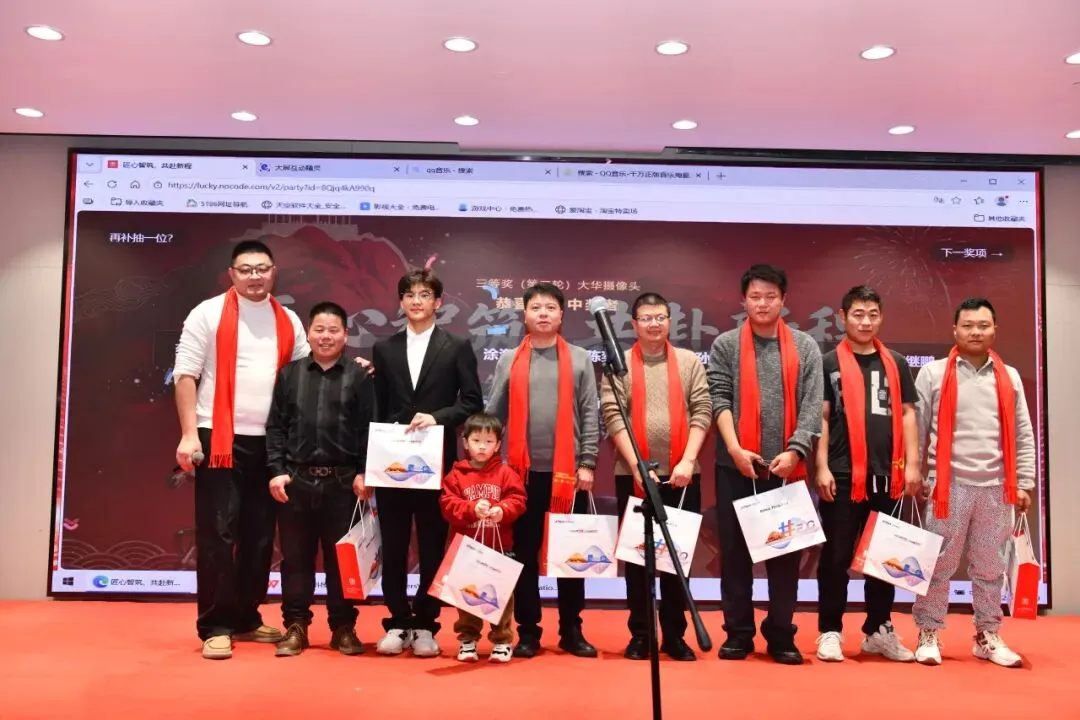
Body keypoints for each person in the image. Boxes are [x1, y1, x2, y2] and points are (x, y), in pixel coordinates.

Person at [173, 239, 309, 660]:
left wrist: (352, 366)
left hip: (270, 443)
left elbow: (306, 374)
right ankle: (215, 625)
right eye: (246, 269)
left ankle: (246, 617)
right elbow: (185, 374)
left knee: (259, 536)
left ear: (273, 272)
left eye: (262, 268)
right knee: (218, 533)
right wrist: (189, 434)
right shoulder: (208, 313)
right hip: (218, 438)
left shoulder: (288, 319)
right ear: (232, 274)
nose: (255, 276)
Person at [706, 263, 823, 665]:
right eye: (755, 296)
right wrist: (735, 449)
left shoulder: (805, 347)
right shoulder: (726, 345)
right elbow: (718, 398)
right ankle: (738, 633)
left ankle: (781, 634)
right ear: (744, 300)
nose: (762, 303)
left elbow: (812, 406)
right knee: (735, 555)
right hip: (736, 466)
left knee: (785, 557)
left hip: (787, 469)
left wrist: (796, 451)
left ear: (783, 300)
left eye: (770, 296)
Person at [911, 298, 1035, 668]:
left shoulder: (1009, 376)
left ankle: (987, 634)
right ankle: (928, 632)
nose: (975, 332)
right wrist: (916, 473)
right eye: (968, 325)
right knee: (938, 564)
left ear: (994, 330)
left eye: (983, 325)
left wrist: (1024, 482)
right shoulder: (933, 373)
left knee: (989, 566)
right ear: (955, 330)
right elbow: (917, 429)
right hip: (948, 489)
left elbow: (1023, 433)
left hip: (996, 487)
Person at [371, 268, 484, 657]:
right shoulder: (384, 348)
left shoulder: (456, 346)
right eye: (409, 295)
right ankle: (398, 620)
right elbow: (378, 405)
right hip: (391, 463)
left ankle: (425, 623)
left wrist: (437, 417)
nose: (416, 301)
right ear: (400, 302)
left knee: (433, 544)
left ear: (438, 302)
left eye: (424, 295)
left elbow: (472, 401)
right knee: (394, 543)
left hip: (436, 463)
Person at [486, 282, 601, 658]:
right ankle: (528, 631)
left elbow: (589, 412)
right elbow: (493, 415)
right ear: (525, 314)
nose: (543, 314)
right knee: (523, 554)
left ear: (562, 314)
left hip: (568, 476)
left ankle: (571, 629)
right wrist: (489, 464)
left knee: (571, 556)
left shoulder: (580, 358)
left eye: (550, 307)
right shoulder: (510, 359)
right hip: (521, 476)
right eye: (536, 307)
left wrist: (587, 462)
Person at [600, 292, 712, 662]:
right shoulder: (618, 366)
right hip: (633, 476)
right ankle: (642, 634)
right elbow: (613, 414)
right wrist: (636, 465)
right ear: (634, 324)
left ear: (669, 321)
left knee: (677, 560)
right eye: (646, 318)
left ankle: (675, 636)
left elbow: (702, 409)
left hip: (682, 476)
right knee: (637, 562)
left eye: (660, 317)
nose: (653, 324)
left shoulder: (688, 361)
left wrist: (687, 460)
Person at [814, 286, 921, 663]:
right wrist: (821, 465)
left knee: (885, 560)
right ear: (843, 317)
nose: (865, 321)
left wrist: (913, 464)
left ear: (881, 317)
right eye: (858, 314)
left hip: (889, 475)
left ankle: (878, 629)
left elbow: (907, 413)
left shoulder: (896, 362)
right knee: (836, 557)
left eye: (873, 314)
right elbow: (822, 416)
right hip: (843, 476)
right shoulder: (828, 362)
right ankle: (830, 630)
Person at [265, 301, 375, 657]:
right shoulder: (289, 375)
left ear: (345, 335)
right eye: (319, 330)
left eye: (333, 330)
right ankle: (296, 626)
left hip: (344, 483)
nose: (326, 337)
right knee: (295, 559)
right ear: (309, 333)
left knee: (341, 560)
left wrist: (365, 471)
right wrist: (276, 471)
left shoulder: (359, 377)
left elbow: (368, 428)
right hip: (295, 482)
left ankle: (343, 627)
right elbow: (276, 427)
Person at [439, 413, 528, 663]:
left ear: (498, 445)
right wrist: (470, 509)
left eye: (489, 442)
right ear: (465, 442)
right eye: (476, 440)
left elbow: (518, 500)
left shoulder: (506, 473)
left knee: (501, 596)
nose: (482, 446)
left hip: (499, 548)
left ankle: (502, 640)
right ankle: (468, 639)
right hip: (466, 549)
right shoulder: (455, 475)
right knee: (466, 596)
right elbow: (447, 505)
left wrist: (503, 510)